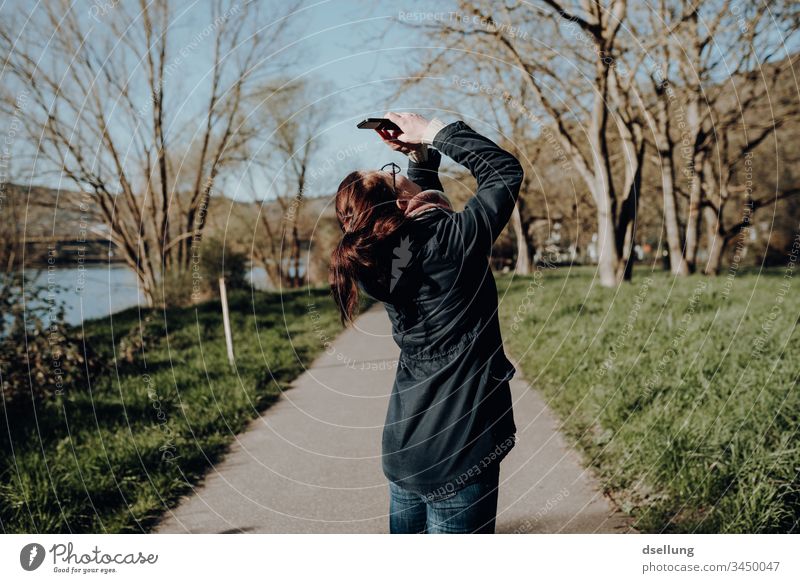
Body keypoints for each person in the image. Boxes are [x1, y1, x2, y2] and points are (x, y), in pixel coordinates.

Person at [329, 112, 524, 534]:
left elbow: (422, 224)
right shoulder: (450, 245)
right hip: (460, 453)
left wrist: (418, 157)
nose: (395, 172)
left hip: (407, 452)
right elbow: (504, 172)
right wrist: (436, 131)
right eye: (391, 174)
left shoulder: (380, 261)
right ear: (401, 204)